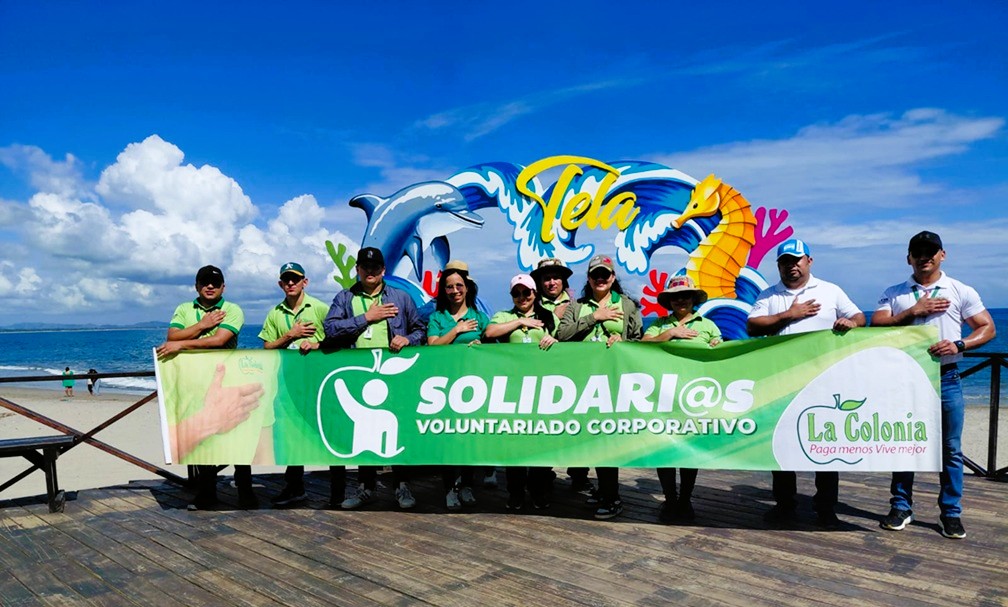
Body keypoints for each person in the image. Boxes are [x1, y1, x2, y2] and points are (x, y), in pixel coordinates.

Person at [872, 231, 995, 539]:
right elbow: (877, 323)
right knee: (903, 443)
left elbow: (987, 327)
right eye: (918, 251)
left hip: (946, 378)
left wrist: (960, 344)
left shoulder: (959, 290)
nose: (924, 256)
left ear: (943, 254)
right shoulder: (895, 292)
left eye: (931, 251)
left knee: (951, 449)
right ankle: (901, 507)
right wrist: (914, 311)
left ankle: (951, 513)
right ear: (909, 258)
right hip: (904, 381)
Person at [747, 239, 865, 527]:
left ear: (809, 261)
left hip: (823, 381)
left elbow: (859, 316)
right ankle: (785, 504)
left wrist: (852, 323)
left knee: (825, 443)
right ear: (779, 265)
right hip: (781, 382)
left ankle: (825, 507)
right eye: (786, 261)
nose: (792, 266)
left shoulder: (830, 290)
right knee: (782, 444)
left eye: (797, 260)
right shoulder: (769, 294)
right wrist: (789, 314)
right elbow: (752, 326)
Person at [324, 247, 426, 510]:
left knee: (398, 430)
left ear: (383, 270)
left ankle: (402, 486)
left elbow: (420, 330)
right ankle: (365, 488)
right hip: (360, 377)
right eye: (365, 267)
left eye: (375, 267)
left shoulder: (401, 298)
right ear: (358, 269)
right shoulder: (345, 298)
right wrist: (366, 318)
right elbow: (331, 330)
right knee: (364, 432)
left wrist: (407, 338)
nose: (370, 271)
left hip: (397, 375)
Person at [156, 265, 261, 510]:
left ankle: (245, 492)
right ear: (197, 286)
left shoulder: (232, 309)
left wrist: (183, 344)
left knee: (237, 437)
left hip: (229, 380)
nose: (210, 286)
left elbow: (220, 340)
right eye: (204, 282)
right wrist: (203, 324)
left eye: (215, 283)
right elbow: (172, 336)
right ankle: (207, 494)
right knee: (204, 438)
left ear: (224, 286)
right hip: (195, 382)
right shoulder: (184, 308)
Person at [558, 254, 643, 519]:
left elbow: (639, 340)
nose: (600, 279)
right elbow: (562, 335)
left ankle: (612, 496)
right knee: (590, 437)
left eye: (605, 274)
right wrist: (594, 316)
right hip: (581, 381)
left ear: (613, 277)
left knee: (607, 438)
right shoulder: (577, 305)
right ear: (589, 278)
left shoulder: (626, 304)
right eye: (596, 274)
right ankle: (601, 488)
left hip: (612, 380)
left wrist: (623, 340)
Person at [643, 275, 721, 523]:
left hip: (695, 395)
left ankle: (685, 500)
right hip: (663, 395)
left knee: (689, 448)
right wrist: (669, 334)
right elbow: (641, 345)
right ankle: (670, 499)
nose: (681, 300)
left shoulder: (708, 325)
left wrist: (718, 345)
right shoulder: (659, 324)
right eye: (676, 296)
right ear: (669, 300)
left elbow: (720, 350)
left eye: (685, 295)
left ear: (693, 299)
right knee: (664, 447)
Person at [485, 273, 559, 510]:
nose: (521, 297)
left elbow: (561, 341)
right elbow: (489, 333)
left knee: (540, 443)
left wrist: (554, 341)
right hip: (514, 389)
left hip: (542, 388)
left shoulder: (547, 317)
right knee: (514, 443)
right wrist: (519, 323)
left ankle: (539, 492)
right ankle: (515, 493)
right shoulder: (505, 316)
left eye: (526, 292)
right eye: (516, 293)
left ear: (535, 293)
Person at [259, 262, 329, 508]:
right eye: (286, 280)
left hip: (317, 383)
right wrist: (291, 335)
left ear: (304, 282)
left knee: (326, 429)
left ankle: (338, 490)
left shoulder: (320, 308)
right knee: (290, 434)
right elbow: (267, 347)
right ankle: (294, 486)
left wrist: (317, 345)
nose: (290, 283)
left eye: (295, 279)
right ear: (280, 284)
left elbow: (336, 340)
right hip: (286, 384)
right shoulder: (274, 313)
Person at [426, 260, 490, 510]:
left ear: (467, 287)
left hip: (474, 386)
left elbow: (492, 340)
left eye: (459, 285)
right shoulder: (437, 317)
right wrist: (457, 330)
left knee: (469, 436)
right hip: (445, 387)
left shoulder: (479, 316)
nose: (454, 291)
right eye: (449, 287)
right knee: (449, 439)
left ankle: (467, 485)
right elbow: (433, 346)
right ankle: (449, 489)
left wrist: (481, 349)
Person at [531, 257, 585, 494]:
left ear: (564, 281)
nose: (551, 282)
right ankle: (542, 475)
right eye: (546, 278)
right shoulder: (530, 306)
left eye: (556, 277)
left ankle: (579, 475)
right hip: (541, 377)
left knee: (579, 427)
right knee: (542, 428)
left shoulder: (579, 305)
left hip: (575, 373)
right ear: (539, 282)